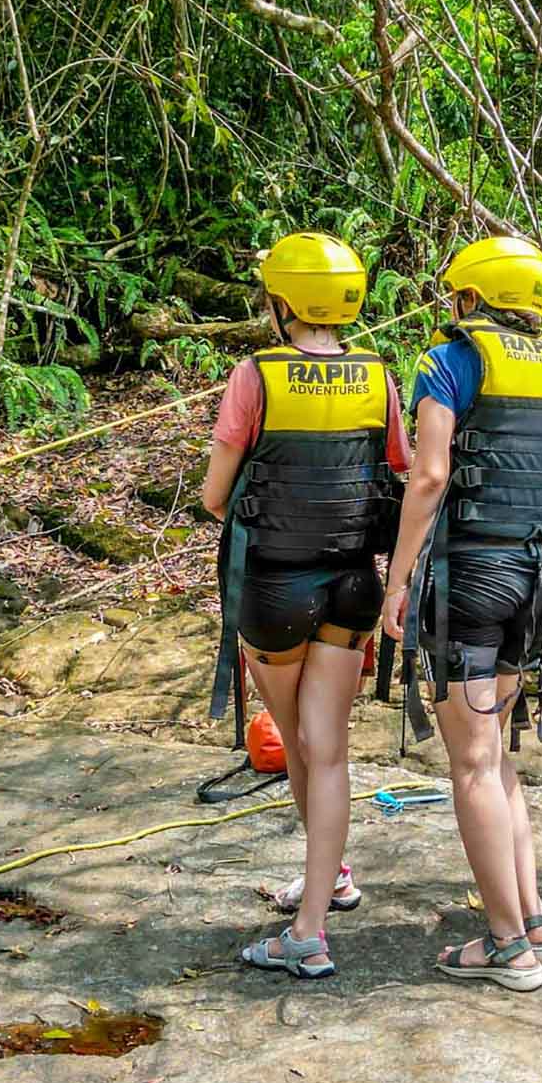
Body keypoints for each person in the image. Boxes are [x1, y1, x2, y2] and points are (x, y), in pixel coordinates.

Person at [381, 236, 542, 991]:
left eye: (455, 295)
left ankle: (508, 944)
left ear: (472, 298)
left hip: (469, 573)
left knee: (471, 762)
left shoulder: (450, 359)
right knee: (496, 754)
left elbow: (431, 472)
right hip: (535, 578)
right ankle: (533, 918)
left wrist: (398, 578)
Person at [203, 234, 410, 981]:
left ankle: (311, 928)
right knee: (325, 749)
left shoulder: (255, 375)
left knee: (303, 744)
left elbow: (214, 497)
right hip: (353, 586)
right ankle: (329, 880)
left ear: (282, 300)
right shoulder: (378, 375)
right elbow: (400, 471)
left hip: (274, 591)